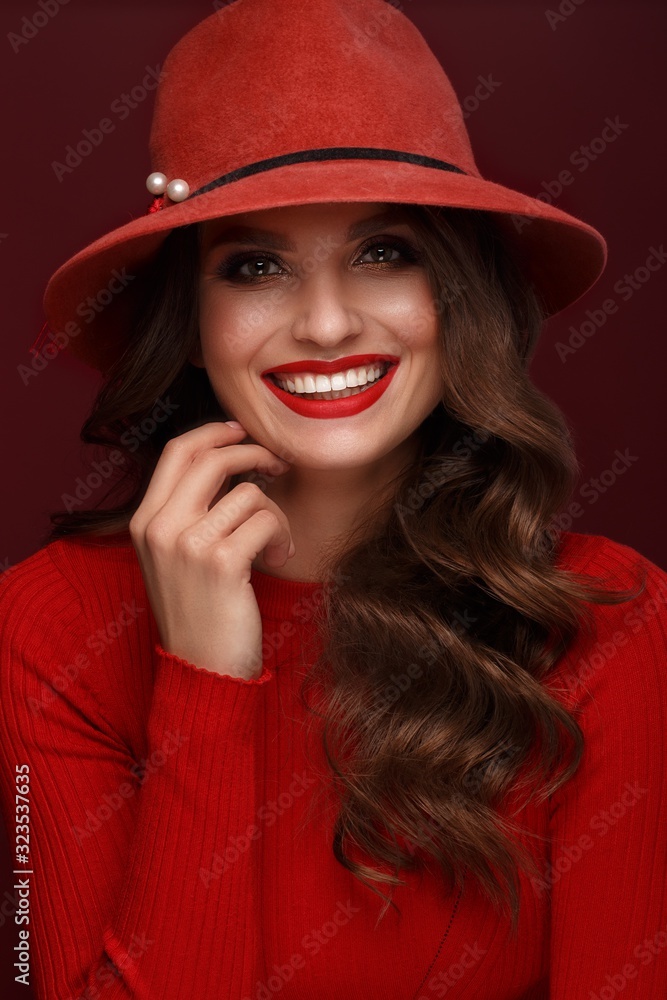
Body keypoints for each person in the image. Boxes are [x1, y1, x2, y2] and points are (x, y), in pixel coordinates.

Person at [0, 1, 665, 998]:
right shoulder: (51, 627)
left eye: (383, 251)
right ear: (187, 319)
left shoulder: (609, 618)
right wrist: (204, 682)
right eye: (255, 266)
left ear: (457, 292)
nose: (323, 322)